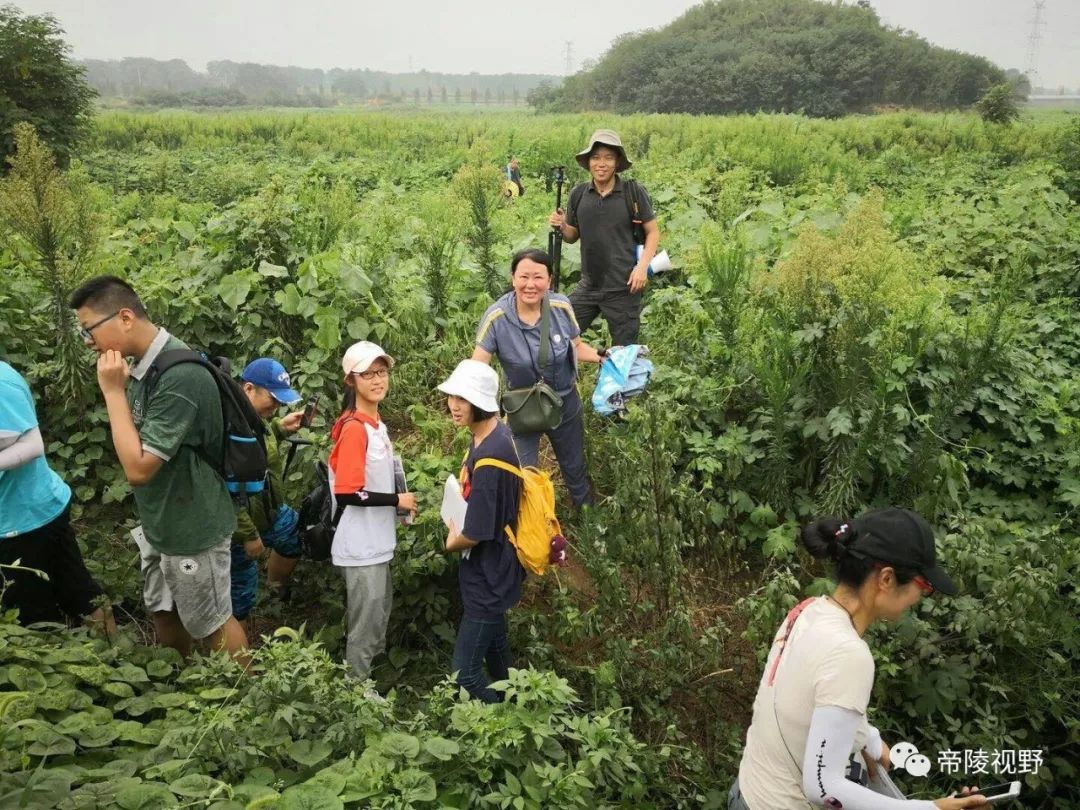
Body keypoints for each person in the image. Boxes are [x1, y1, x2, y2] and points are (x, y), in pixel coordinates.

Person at [730, 508, 989, 810]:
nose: (921, 598)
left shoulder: (809, 610)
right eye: (924, 587)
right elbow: (823, 787)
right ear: (887, 579)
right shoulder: (850, 654)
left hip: (748, 792)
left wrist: (870, 742)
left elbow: (814, 699)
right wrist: (932, 808)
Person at [69, 275, 247, 661]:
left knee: (213, 623)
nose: (88, 342)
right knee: (164, 610)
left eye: (90, 330)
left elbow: (138, 468)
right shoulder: (143, 365)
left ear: (126, 317)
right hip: (162, 522)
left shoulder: (179, 376)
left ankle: (249, 702)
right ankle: (178, 683)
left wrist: (113, 392)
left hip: (192, 528)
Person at [472, 248, 605, 507]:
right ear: (513, 279)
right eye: (523, 277)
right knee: (522, 476)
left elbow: (577, 347)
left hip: (564, 404)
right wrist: (481, 415)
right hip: (522, 410)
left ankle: (589, 524)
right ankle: (530, 534)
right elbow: (478, 367)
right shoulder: (497, 318)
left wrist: (604, 356)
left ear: (549, 280)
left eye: (538, 277)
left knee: (575, 468)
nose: (530, 285)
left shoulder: (560, 307)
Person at [0, 361, 115, 633]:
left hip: (22, 520)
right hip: (31, 512)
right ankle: (112, 653)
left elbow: (32, 445)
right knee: (78, 591)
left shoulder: (2, 384)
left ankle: (100, 661)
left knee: (32, 616)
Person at [328, 341, 417, 683]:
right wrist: (397, 502)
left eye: (382, 372)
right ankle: (356, 692)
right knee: (364, 625)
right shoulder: (354, 429)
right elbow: (348, 492)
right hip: (360, 546)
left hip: (377, 542)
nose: (378, 380)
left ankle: (369, 684)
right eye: (368, 374)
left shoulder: (376, 424)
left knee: (378, 617)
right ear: (351, 380)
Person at [438, 359, 524, 703]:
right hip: (494, 568)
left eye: (463, 399)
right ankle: (519, 702)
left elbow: (474, 533)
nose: (454, 406)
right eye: (452, 397)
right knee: (499, 659)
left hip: (488, 575)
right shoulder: (490, 433)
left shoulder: (490, 459)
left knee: (465, 676)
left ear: (482, 403)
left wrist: (451, 541)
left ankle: (505, 718)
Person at [548, 129, 660, 347]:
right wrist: (562, 225)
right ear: (588, 162)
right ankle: (565, 378)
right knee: (558, 333)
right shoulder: (579, 194)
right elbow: (572, 236)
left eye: (608, 158)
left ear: (617, 163)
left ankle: (619, 379)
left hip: (624, 288)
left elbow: (653, 232)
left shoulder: (632, 192)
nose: (602, 163)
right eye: (596, 157)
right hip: (589, 285)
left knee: (624, 352)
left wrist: (642, 267)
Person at [230, 358, 307, 625]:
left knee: (296, 536)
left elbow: (258, 451)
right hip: (240, 526)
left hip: (270, 511)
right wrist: (248, 535)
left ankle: (275, 590)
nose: (276, 407)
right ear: (249, 388)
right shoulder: (229, 426)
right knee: (240, 590)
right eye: (273, 400)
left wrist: (278, 428)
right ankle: (234, 658)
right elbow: (224, 491)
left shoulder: (257, 418)